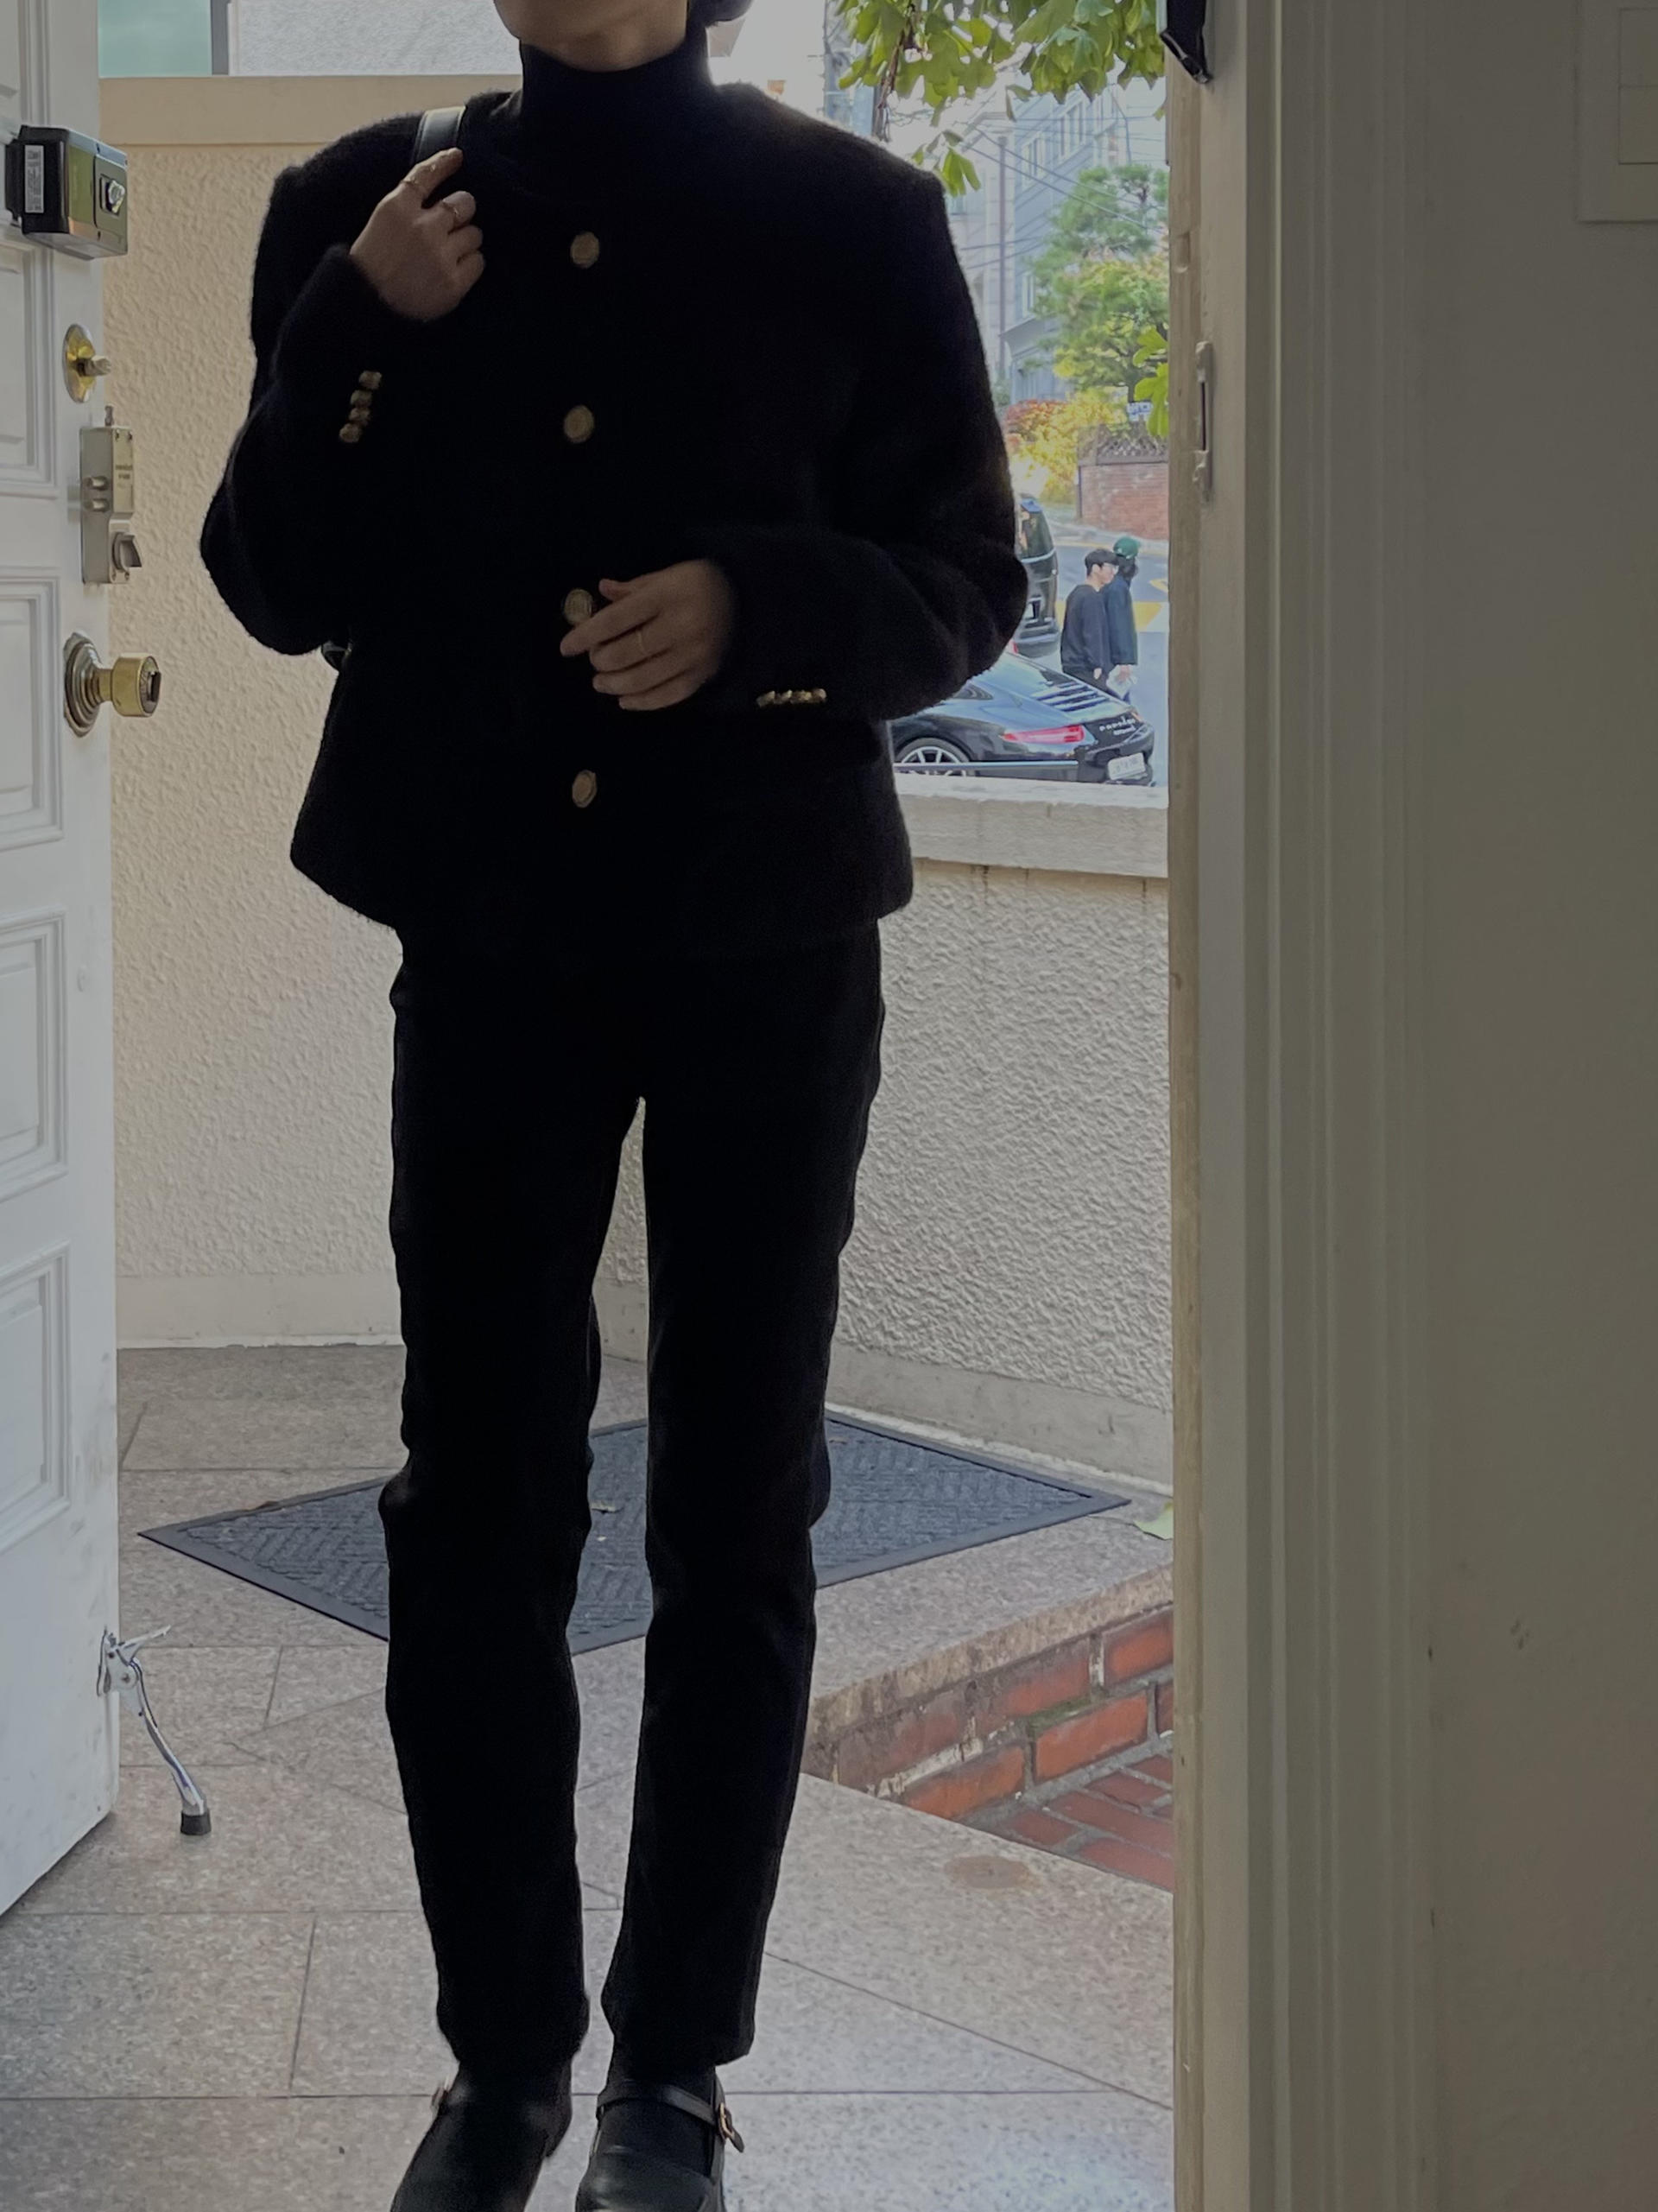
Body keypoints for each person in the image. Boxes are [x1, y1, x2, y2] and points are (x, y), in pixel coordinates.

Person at [200, 1, 1026, 2208]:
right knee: (474, 1497)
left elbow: (972, 578)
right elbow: (271, 581)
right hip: (489, 943)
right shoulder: (361, 209)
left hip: (767, 941)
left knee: (737, 1502)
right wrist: (357, 326)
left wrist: (763, 608)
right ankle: (503, 2059)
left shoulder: (855, 217)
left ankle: (674, 2066)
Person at [1059, 546, 1113, 684]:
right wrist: (1097, 665)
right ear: (1095, 569)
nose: (1113, 572)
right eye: (1109, 567)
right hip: (1087, 669)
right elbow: (1093, 633)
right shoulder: (1091, 598)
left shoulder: (1077, 593)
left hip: (1072, 664)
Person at [1101, 533, 1142, 697]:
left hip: (1107, 659)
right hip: (1113, 663)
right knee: (1120, 704)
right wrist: (1123, 662)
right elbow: (1119, 626)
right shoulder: (1118, 589)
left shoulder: (1112, 583)